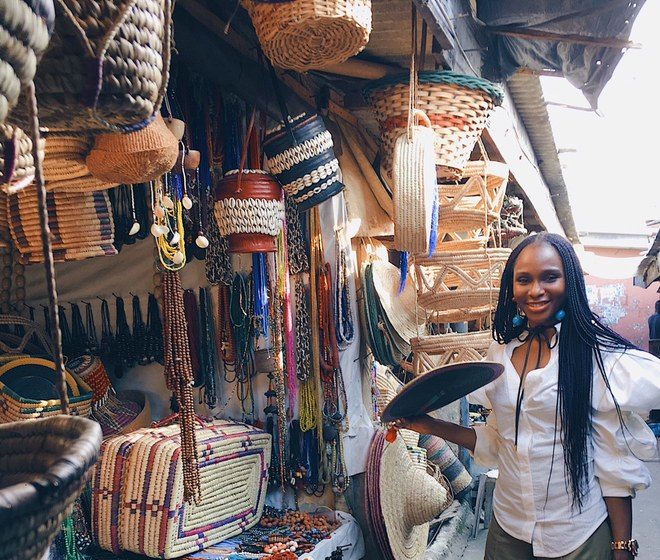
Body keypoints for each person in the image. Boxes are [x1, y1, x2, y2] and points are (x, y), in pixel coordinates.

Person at [394, 233, 660, 560]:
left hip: (578, 536)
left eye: (550, 277)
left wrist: (622, 547)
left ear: (570, 282)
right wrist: (429, 426)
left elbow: (613, 462)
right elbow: (498, 442)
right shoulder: (501, 354)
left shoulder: (594, 358)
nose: (535, 290)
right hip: (509, 529)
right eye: (524, 280)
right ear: (512, 287)